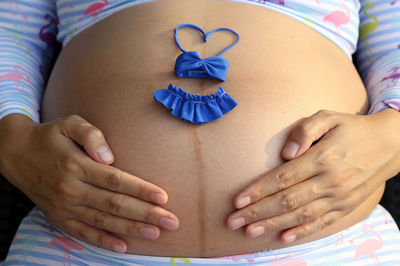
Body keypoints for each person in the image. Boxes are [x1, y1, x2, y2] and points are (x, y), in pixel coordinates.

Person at [1, 0, 400, 264]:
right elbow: (10, 34)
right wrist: (9, 136)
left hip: (332, 247)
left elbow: (394, 46)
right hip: (77, 246)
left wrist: (392, 133)